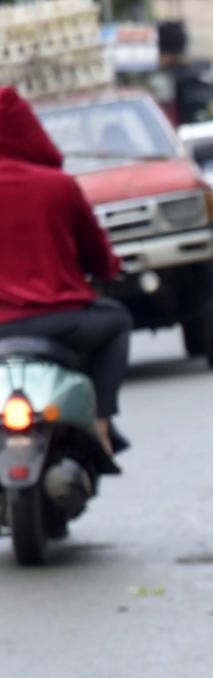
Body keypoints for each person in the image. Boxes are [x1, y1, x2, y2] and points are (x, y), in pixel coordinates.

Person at [0, 86, 132, 461]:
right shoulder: (57, 186)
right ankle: (102, 422)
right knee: (118, 321)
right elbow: (100, 258)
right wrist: (110, 269)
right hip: (63, 323)